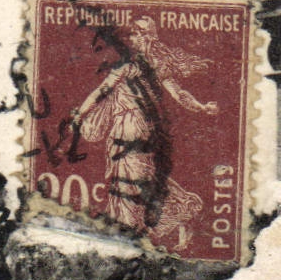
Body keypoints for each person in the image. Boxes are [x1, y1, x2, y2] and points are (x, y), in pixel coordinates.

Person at [69, 15, 216, 249]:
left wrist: (79, 115)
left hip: (128, 130)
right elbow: (180, 95)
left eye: (136, 34)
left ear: (146, 38)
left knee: (129, 184)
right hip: (145, 131)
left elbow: (100, 93)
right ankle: (158, 222)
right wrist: (201, 107)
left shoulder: (127, 67)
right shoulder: (157, 67)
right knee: (140, 180)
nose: (132, 38)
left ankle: (161, 218)